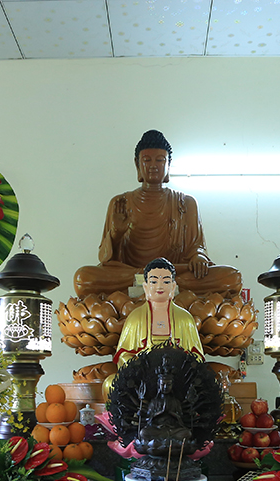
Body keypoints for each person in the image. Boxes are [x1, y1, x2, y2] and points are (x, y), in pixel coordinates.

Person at [72, 130, 242, 298]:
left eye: (160, 160)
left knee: (231, 277)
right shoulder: (120, 203)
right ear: (137, 164)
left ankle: (157, 282)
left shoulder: (186, 203)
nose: (153, 165)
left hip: (174, 274)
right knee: (83, 278)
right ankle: (149, 281)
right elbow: (105, 259)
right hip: (133, 275)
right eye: (147, 160)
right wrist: (117, 233)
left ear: (168, 164)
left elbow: (196, 246)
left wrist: (198, 257)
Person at [103, 259, 204, 397]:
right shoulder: (135, 318)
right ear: (145, 287)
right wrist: (139, 369)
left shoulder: (184, 318)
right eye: (154, 281)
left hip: (177, 379)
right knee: (110, 384)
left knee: (206, 384)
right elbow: (123, 355)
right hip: (142, 379)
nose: (160, 286)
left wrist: (180, 369)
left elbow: (197, 356)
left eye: (166, 282)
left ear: (173, 286)